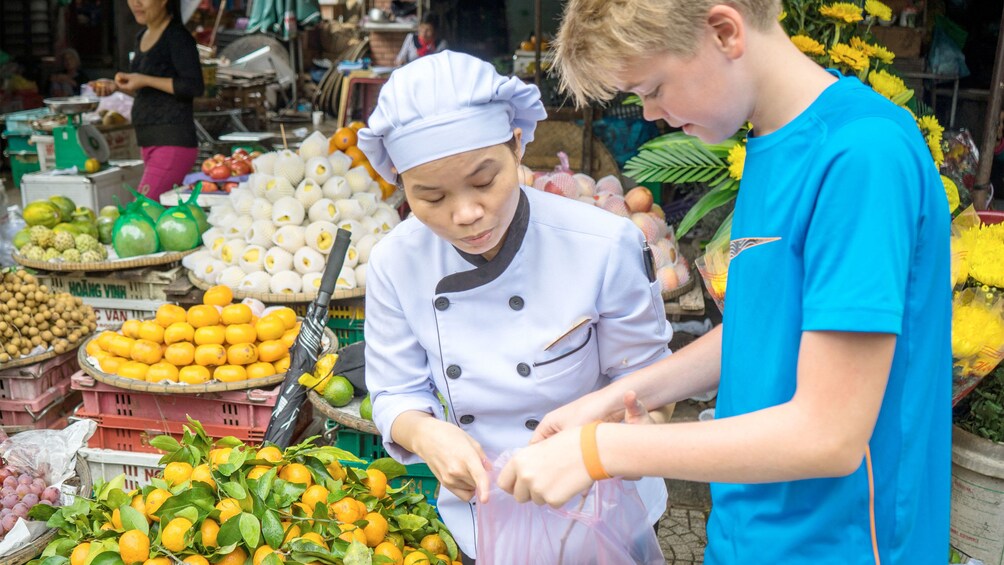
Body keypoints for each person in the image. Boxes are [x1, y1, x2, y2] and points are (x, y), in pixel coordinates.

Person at [497, 0, 952, 563]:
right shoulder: (770, 137)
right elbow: (762, 325)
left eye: (655, 88)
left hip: (842, 543)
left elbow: (829, 436)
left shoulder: (862, 155)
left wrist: (603, 449)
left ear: (724, 31)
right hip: (748, 530)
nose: (652, 114)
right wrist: (613, 399)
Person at [357, 50, 672, 562]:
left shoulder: (602, 244)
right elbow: (395, 389)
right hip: (483, 513)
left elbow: (651, 383)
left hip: (602, 505)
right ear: (398, 181)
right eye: (431, 197)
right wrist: (428, 434)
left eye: (484, 181)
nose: (466, 213)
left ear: (519, 144)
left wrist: (629, 442)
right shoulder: (396, 260)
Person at [89, 0, 203, 201]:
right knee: (158, 214)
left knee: (141, 212)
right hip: (149, 141)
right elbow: (148, 90)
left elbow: (193, 86)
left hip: (172, 141)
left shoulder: (177, 36)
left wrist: (144, 79)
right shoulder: (142, 36)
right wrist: (116, 86)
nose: (136, 3)